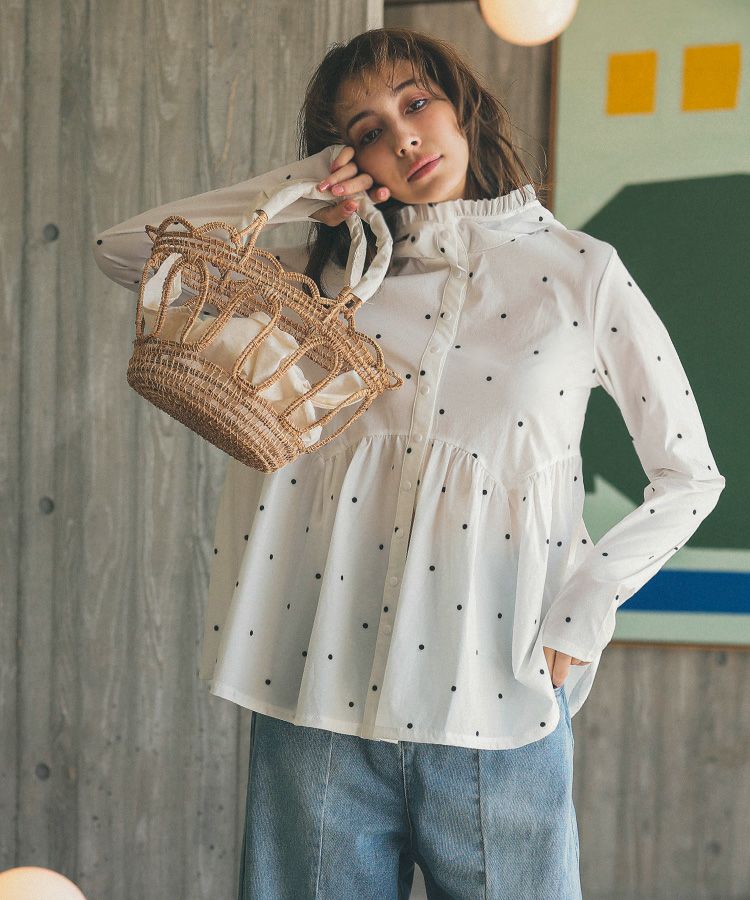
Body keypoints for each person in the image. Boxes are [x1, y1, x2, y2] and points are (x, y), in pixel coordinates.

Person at [92, 26, 725, 900]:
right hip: (318, 694)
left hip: (495, 701)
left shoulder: (581, 273)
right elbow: (127, 252)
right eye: (368, 132)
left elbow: (690, 474)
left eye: (415, 102)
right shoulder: (328, 277)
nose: (404, 138)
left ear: (462, 107)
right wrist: (296, 188)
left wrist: (580, 617)